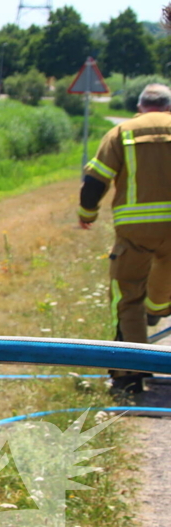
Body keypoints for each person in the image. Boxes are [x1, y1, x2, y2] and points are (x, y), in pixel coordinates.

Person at [79, 83, 171, 395]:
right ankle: (158, 310)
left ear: (141, 106)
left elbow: (94, 181)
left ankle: (131, 375)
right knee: (160, 296)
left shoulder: (123, 133)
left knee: (128, 297)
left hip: (136, 233)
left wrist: (87, 213)